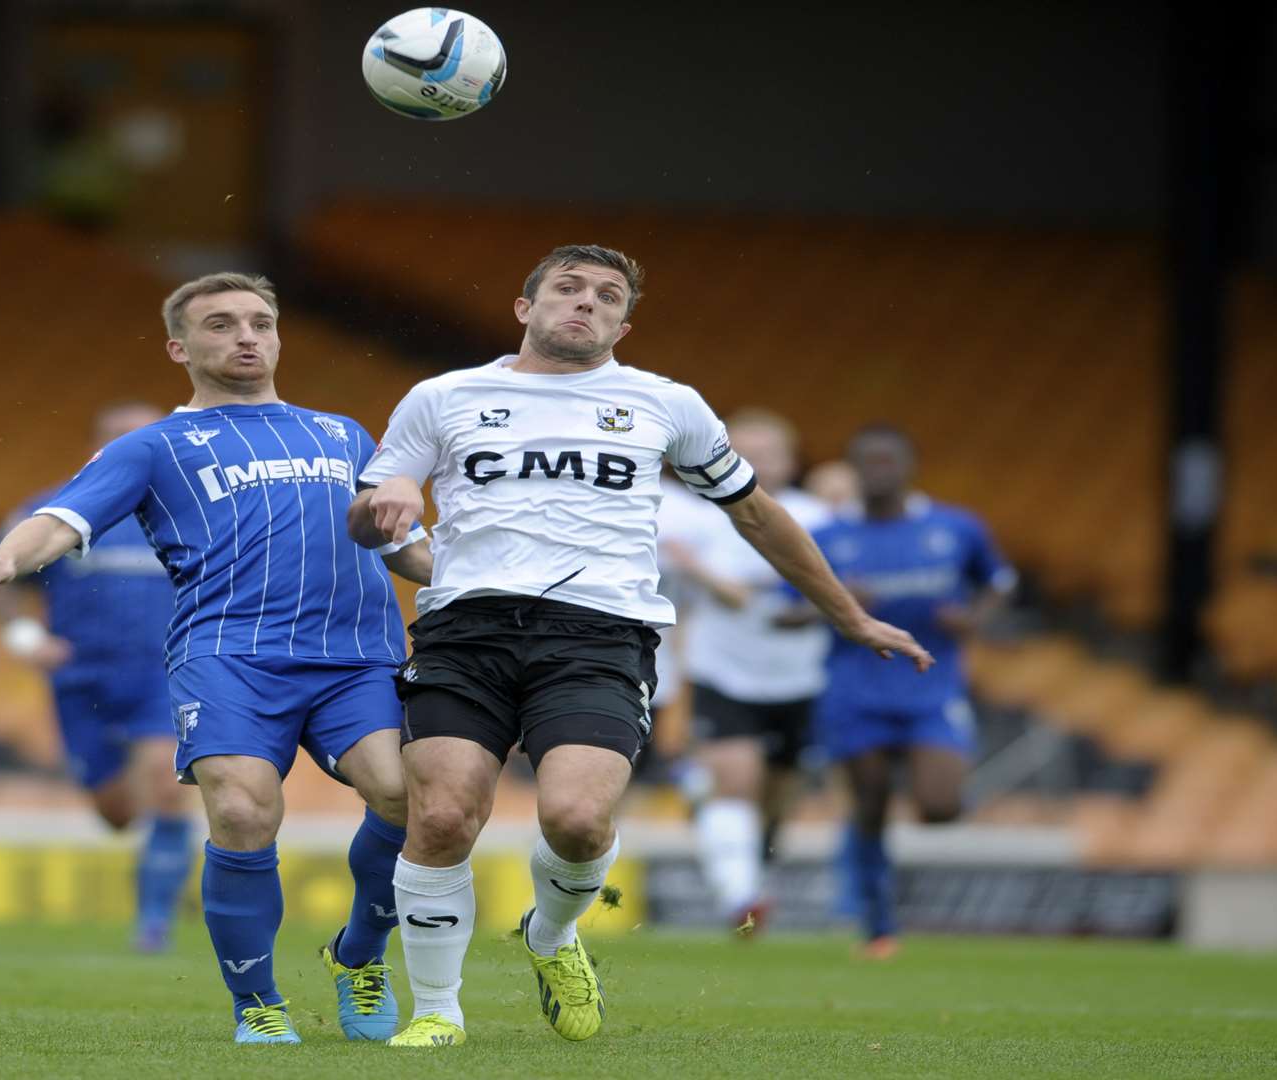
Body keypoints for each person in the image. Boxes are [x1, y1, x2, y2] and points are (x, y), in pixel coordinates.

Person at [350, 245, 931, 1046]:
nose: (585, 302)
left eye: (607, 296)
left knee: (579, 820)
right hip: (466, 627)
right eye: (568, 288)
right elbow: (371, 515)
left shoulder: (665, 403)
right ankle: (439, 1014)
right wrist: (383, 499)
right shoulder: (443, 397)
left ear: (625, 322)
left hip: (601, 633)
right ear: (526, 307)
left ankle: (550, 936)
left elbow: (756, 514)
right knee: (444, 816)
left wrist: (847, 616)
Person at [0, 272, 433, 1046]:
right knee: (243, 811)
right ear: (181, 347)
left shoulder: (344, 435)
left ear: (277, 336)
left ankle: (359, 957)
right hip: (229, 656)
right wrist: (7, 561)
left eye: (259, 322)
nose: (245, 336)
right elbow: (57, 520)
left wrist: (477, 578)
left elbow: (407, 550)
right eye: (220, 324)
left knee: (405, 798)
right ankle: (258, 1003)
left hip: (354, 655)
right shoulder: (153, 446)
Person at [784, 424, 1013, 958]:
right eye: (868, 461)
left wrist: (973, 618)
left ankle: (935, 796)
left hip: (930, 688)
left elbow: (1000, 582)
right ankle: (878, 923)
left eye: (889, 460)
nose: (879, 470)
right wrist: (836, 603)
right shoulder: (829, 536)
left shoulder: (956, 528)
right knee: (870, 806)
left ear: (909, 467)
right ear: (853, 469)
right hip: (855, 693)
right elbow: (782, 610)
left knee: (940, 806)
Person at [0, 400, 196, 953]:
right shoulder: (57, 509)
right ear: (96, 448)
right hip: (82, 676)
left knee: (165, 788)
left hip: (165, 671)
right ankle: (163, 871)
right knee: (117, 812)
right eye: (117, 437)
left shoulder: (194, 507)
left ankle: (154, 924)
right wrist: (24, 638)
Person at [657, 408, 831, 934]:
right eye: (743, 451)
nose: (755, 462)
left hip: (800, 677)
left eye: (768, 452)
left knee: (775, 800)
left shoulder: (818, 518)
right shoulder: (694, 515)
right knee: (736, 781)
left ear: (791, 462)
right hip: (722, 673)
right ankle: (742, 900)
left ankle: (730, 841)